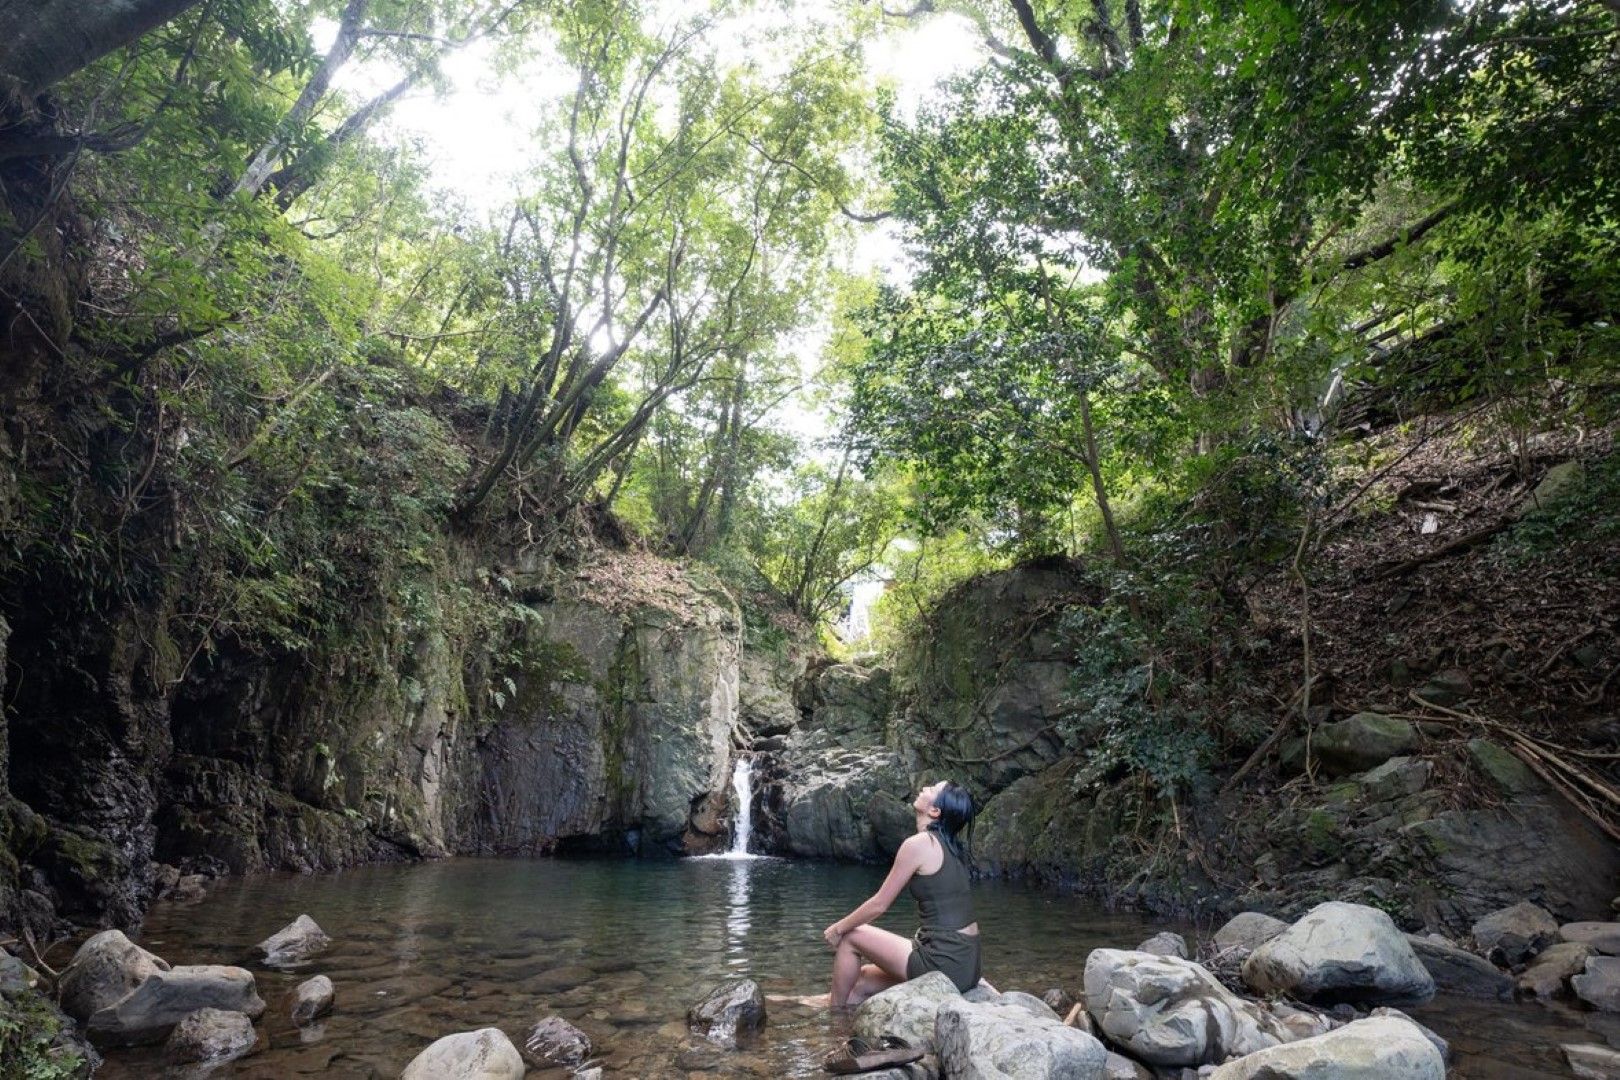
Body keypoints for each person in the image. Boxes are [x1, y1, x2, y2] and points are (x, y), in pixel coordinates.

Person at [820, 779, 980, 1008]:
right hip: (968, 964)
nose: (925, 787)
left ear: (935, 810)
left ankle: (833, 1019)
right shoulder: (953, 848)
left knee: (851, 937)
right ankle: (807, 1003)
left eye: (932, 789)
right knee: (862, 979)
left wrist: (837, 929)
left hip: (945, 963)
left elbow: (879, 904)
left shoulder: (920, 844)